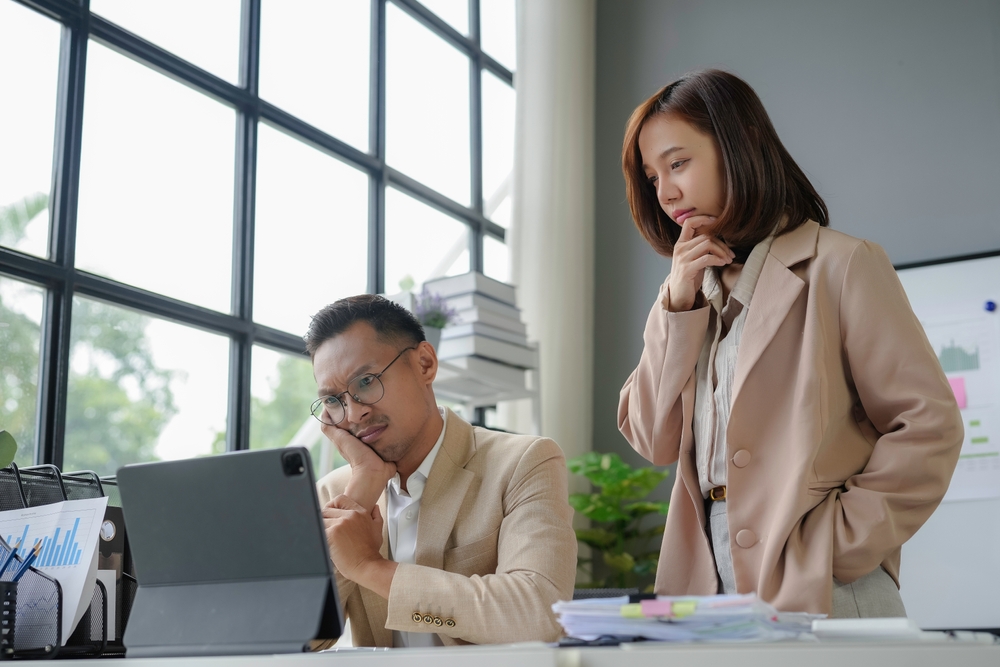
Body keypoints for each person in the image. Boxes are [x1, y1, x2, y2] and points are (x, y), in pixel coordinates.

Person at [617, 69, 963, 617]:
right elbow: (652, 437)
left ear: (739, 146)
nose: (667, 192)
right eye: (653, 176)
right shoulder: (684, 297)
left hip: (822, 583)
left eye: (678, 163)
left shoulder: (842, 264)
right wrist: (677, 307)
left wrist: (835, 544)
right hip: (706, 581)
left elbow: (928, 424)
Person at [307, 294, 576, 646]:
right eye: (334, 400)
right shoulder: (335, 495)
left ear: (424, 364)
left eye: (366, 382)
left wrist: (368, 567)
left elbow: (538, 613)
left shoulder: (524, 462)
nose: (354, 414)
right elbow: (290, 640)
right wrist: (362, 490)